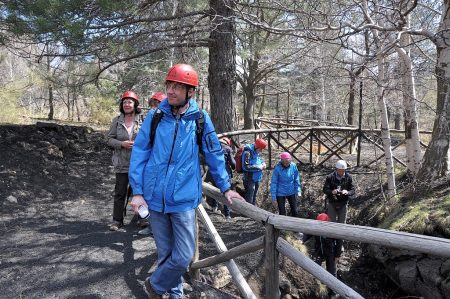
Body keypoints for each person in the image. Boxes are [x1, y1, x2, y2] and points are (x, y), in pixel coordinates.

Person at [128, 63, 243, 299]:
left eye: (177, 87)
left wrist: (226, 187)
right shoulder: (156, 116)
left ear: (191, 91)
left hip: (183, 199)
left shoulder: (200, 119)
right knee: (165, 254)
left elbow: (214, 154)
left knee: (183, 255)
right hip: (154, 198)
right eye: (169, 85)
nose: (170, 91)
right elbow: (140, 154)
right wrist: (138, 192)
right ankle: (175, 294)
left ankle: (155, 286)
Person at [107, 90, 142, 231]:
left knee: (139, 192)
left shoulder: (143, 120)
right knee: (120, 192)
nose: (127, 104)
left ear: (135, 104)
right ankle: (117, 221)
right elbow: (109, 139)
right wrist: (121, 144)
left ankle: (142, 219)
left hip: (138, 163)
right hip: (121, 163)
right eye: (125, 102)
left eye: (130, 102)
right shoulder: (117, 121)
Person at [322, 159, 355, 252]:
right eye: (340, 170)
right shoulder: (330, 177)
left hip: (343, 204)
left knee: (342, 225)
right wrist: (332, 191)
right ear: (336, 169)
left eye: (343, 170)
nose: (341, 172)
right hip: (332, 202)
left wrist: (347, 192)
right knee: (331, 224)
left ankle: (340, 244)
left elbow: (353, 190)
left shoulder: (349, 177)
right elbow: (325, 189)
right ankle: (331, 243)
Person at [313, 212, 340, 298]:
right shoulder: (315, 228)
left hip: (330, 251)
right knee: (315, 268)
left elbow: (339, 242)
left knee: (331, 271)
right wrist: (302, 240)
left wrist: (337, 255)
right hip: (319, 251)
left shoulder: (332, 229)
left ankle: (333, 292)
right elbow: (307, 233)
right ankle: (318, 288)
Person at [209, 137, 235, 219]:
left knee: (215, 189)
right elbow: (233, 163)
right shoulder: (228, 149)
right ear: (227, 142)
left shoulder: (213, 147)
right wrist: (234, 167)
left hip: (214, 172)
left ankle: (214, 207)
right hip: (225, 172)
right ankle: (227, 214)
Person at [270, 152, 301, 217]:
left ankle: (295, 224)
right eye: (285, 162)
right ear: (281, 161)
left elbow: (296, 179)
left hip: (291, 191)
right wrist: (273, 198)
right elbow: (274, 183)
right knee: (282, 212)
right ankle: (282, 226)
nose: (287, 164)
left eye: (288, 162)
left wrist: (298, 191)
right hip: (280, 193)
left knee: (295, 211)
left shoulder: (293, 166)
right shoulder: (277, 169)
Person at [241, 138, 267, 205]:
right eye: (260, 149)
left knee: (254, 195)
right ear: (256, 147)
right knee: (249, 197)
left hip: (256, 178)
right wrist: (259, 167)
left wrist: (263, 163)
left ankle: (253, 209)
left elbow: (259, 160)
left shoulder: (256, 151)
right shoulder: (247, 153)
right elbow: (246, 167)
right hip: (249, 179)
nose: (261, 151)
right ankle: (247, 213)